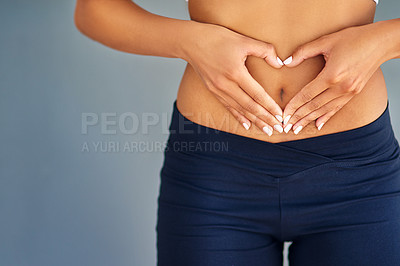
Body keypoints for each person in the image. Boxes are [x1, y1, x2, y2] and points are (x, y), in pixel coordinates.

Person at [74, 0, 400, 265]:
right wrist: (189, 41)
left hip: (357, 177)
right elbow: (93, 10)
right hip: (215, 174)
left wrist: (382, 41)